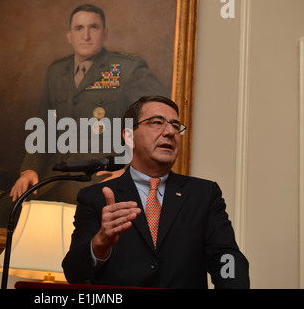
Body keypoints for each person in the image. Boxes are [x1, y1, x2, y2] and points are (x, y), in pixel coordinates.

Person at [0, 5, 168, 227]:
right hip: (54, 176)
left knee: (76, 234)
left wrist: (131, 171)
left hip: (100, 178)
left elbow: (160, 118)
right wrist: (29, 169)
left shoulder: (126, 69)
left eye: (93, 27)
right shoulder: (56, 72)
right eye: (79, 28)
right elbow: (44, 126)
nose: (85, 35)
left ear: (105, 32)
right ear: (69, 35)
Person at [62, 96, 250, 288]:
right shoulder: (95, 197)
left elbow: (226, 255)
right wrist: (99, 243)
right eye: (157, 122)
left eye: (176, 126)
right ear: (129, 136)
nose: (170, 132)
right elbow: (73, 272)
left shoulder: (204, 194)